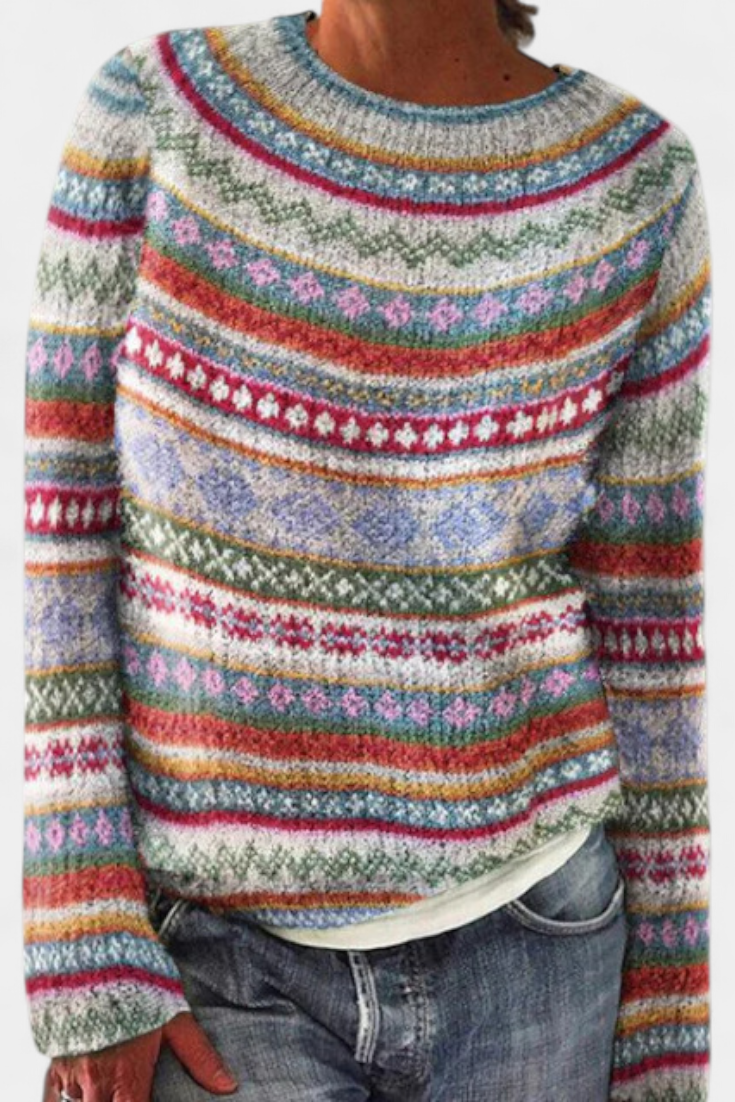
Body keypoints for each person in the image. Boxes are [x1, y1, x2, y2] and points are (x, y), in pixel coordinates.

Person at [22, 1, 711, 1099]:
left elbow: (647, 622)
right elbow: (65, 542)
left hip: (539, 948)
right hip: (219, 965)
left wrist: (667, 1026)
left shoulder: (635, 182)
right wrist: (83, 940)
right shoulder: (158, 109)